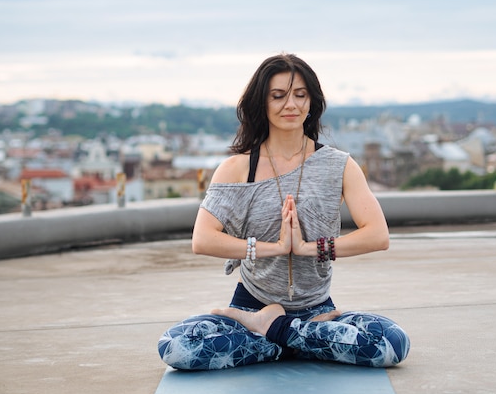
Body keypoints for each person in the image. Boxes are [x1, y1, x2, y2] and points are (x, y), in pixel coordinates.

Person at [158, 53, 410, 370]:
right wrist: (273, 248)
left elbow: (378, 235)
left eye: (300, 95)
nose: (290, 105)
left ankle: (275, 334)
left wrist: (309, 248)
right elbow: (202, 239)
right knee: (176, 347)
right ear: (261, 103)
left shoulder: (338, 165)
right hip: (250, 308)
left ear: (312, 102)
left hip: (317, 310)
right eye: (278, 96)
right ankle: (303, 341)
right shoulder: (237, 168)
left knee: (392, 343)